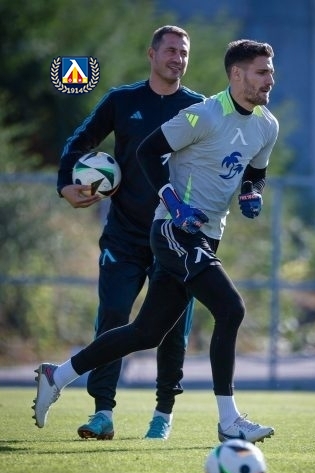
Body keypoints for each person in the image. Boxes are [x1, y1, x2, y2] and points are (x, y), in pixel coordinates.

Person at [33, 38, 279, 444]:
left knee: (147, 332)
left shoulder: (267, 125)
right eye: (262, 71)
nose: (270, 79)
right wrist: (173, 203)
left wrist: (252, 192)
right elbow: (148, 152)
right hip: (173, 230)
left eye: (270, 71)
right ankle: (229, 420)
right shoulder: (202, 114)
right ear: (237, 74)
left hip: (208, 236)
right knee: (231, 308)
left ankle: (56, 375)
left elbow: (255, 171)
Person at [56, 25, 204, 440]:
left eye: (183, 52)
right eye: (170, 50)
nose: (178, 58)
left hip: (174, 237)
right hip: (124, 235)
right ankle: (102, 413)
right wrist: (65, 184)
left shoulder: (198, 108)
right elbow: (78, 141)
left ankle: (163, 415)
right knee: (114, 316)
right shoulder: (122, 101)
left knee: (172, 329)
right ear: (152, 54)